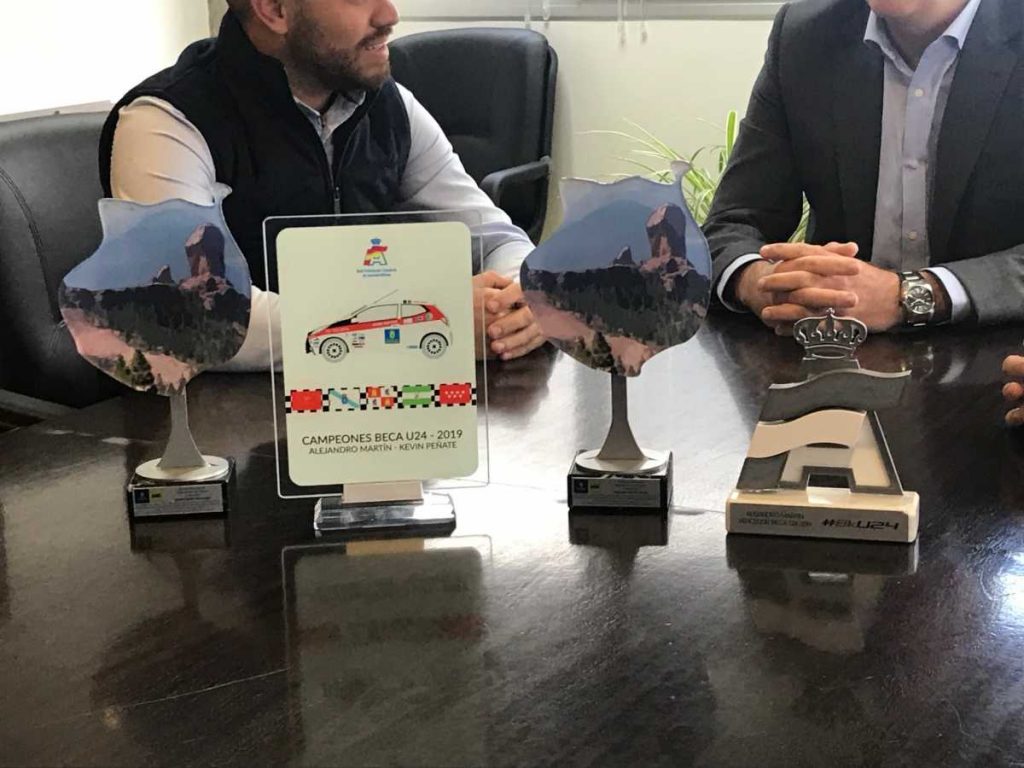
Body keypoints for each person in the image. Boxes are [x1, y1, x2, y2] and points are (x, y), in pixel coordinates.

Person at [99, 0, 545, 368]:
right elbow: (191, 311)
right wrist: (413, 326)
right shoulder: (168, 121)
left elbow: (497, 238)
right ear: (274, 9)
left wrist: (519, 303)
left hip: (374, 408)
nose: (389, 14)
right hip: (220, 425)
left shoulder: (389, 106)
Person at [703, 0, 1024, 335]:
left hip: (995, 349)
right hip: (832, 350)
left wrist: (913, 293)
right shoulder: (807, 35)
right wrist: (762, 282)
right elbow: (732, 223)